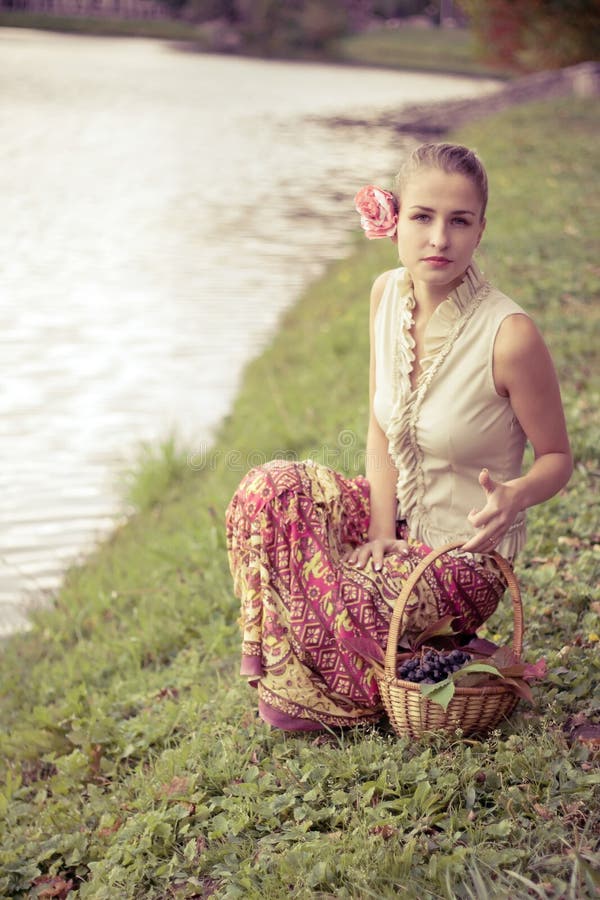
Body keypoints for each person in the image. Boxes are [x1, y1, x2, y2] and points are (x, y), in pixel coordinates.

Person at [225, 142, 572, 732]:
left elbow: (559, 458)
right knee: (270, 490)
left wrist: (516, 495)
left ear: (480, 230)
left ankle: (410, 657)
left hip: (463, 557)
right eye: (423, 217)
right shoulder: (386, 294)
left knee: (344, 594)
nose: (439, 238)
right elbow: (379, 425)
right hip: (398, 521)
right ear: (394, 222)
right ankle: (406, 659)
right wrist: (382, 530)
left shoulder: (510, 336)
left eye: (459, 221)